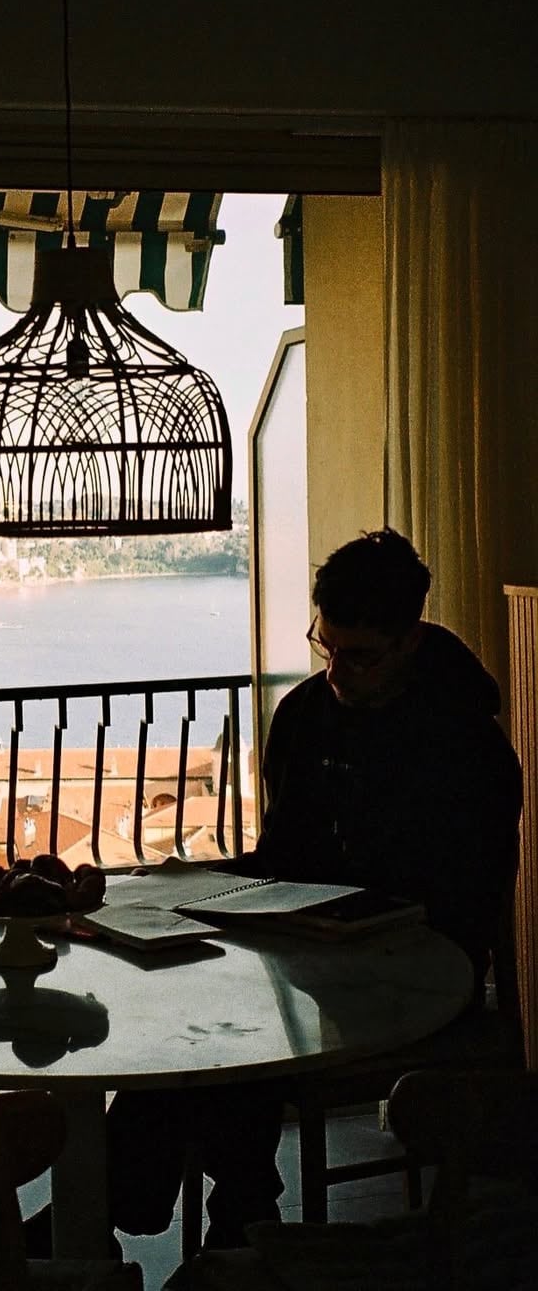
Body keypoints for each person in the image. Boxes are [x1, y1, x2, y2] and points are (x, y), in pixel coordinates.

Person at [105, 528, 522, 1266]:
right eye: (324, 644)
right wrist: (201, 883)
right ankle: (221, 1213)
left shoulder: (467, 743)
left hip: (420, 963)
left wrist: (349, 910)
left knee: (235, 1027)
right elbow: (282, 855)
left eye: (358, 655)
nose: (335, 671)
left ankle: (170, 1209)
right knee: (197, 1010)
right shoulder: (304, 717)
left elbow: (464, 896)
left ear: (411, 638)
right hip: (312, 942)